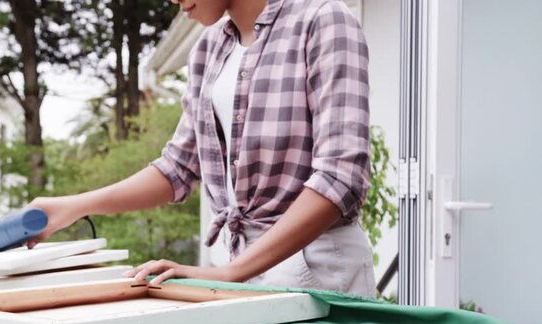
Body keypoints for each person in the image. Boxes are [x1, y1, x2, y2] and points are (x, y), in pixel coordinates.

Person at [27, 0, 376, 297]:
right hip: (235, 263)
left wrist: (229, 274)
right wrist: (72, 206)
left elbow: (340, 176)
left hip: (316, 268)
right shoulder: (208, 48)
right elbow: (178, 168)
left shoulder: (324, 20)